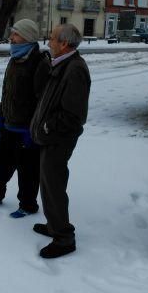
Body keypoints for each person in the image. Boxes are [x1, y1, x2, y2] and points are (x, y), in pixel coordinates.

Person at [0, 19, 50, 218]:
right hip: (9, 124)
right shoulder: (15, 58)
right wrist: (1, 116)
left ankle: (28, 205)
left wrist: (32, 130)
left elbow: (42, 101)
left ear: (27, 36)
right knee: (0, 164)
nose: (11, 37)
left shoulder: (39, 61)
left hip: (27, 129)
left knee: (28, 171)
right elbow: (6, 91)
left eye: (15, 34)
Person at [30, 23, 91, 258]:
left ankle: (64, 238)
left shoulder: (75, 69)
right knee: (47, 182)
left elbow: (73, 116)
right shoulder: (62, 63)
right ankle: (54, 224)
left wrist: (47, 126)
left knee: (53, 184)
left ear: (64, 44)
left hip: (59, 138)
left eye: (53, 39)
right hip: (51, 137)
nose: (49, 43)